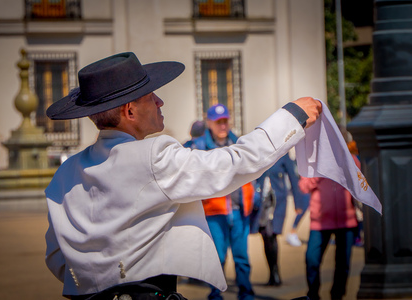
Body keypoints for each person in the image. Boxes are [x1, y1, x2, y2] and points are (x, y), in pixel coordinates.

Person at [44, 52, 322, 300]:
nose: (160, 101)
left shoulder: (66, 172)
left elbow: (57, 256)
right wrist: (292, 116)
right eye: (151, 96)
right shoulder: (153, 155)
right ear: (129, 111)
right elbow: (233, 164)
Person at [188, 104, 255, 300]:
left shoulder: (238, 143)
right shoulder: (199, 145)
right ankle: (216, 294)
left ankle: (246, 294)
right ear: (209, 123)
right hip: (214, 212)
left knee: (242, 257)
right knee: (218, 257)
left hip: (239, 210)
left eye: (225, 121)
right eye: (218, 122)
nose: (223, 125)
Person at [298, 154, 360, 300]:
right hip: (320, 221)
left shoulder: (348, 157)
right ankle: (313, 294)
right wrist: (319, 172)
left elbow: (360, 183)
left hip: (346, 219)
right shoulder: (313, 160)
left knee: (343, 263)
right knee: (311, 259)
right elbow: (303, 187)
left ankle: (337, 295)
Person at [252, 153, 306, 287]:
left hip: (277, 202)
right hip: (261, 202)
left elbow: (293, 178)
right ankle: (272, 273)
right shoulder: (260, 152)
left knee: (271, 234)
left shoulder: (283, 154)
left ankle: (275, 273)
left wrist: (298, 203)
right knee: (265, 235)